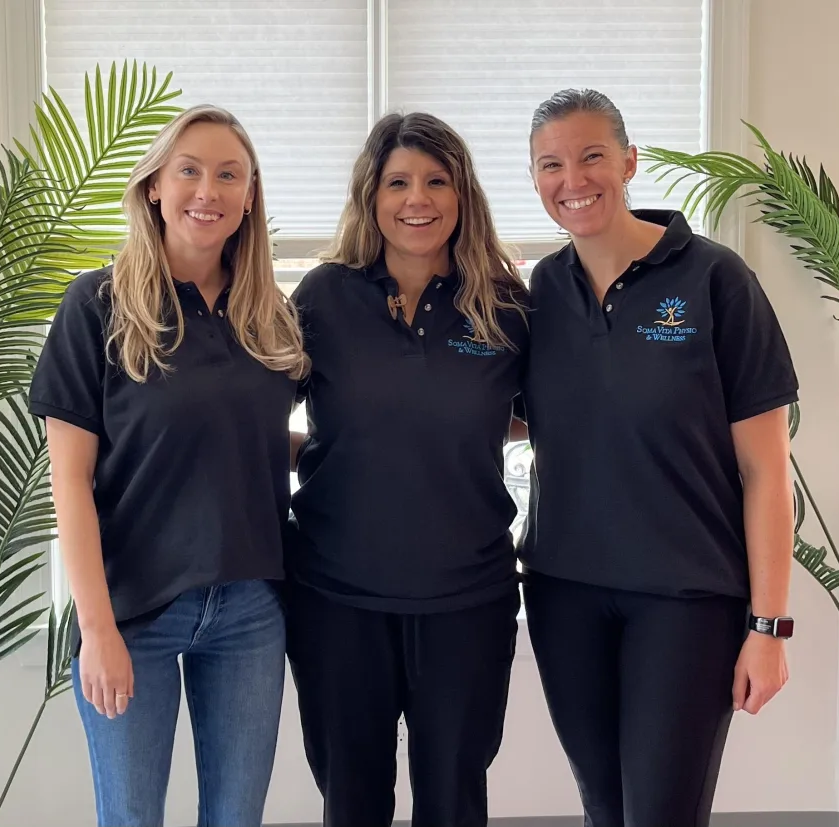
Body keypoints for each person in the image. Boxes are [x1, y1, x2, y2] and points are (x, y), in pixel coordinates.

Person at [518, 88, 799, 827]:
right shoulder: (541, 291)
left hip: (686, 601)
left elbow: (767, 471)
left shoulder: (714, 280)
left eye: (592, 156)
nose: (572, 180)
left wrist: (769, 627)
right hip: (564, 592)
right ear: (534, 177)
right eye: (551, 164)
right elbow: (513, 414)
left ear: (630, 162)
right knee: (604, 809)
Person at [28, 104, 307, 827]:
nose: (208, 191)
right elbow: (69, 481)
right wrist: (96, 629)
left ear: (249, 196)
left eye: (229, 175)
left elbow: (252, 442)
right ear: (154, 185)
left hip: (250, 606)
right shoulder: (97, 304)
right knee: (131, 817)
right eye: (189, 171)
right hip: (132, 609)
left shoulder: (270, 314)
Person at [285, 111, 529, 827]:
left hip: (468, 599)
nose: (416, 198)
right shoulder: (322, 297)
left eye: (436, 180)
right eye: (397, 182)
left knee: (453, 801)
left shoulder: (506, 305)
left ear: (462, 194)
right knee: (351, 801)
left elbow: (554, 418)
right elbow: (252, 413)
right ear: (372, 194)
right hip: (336, 596)